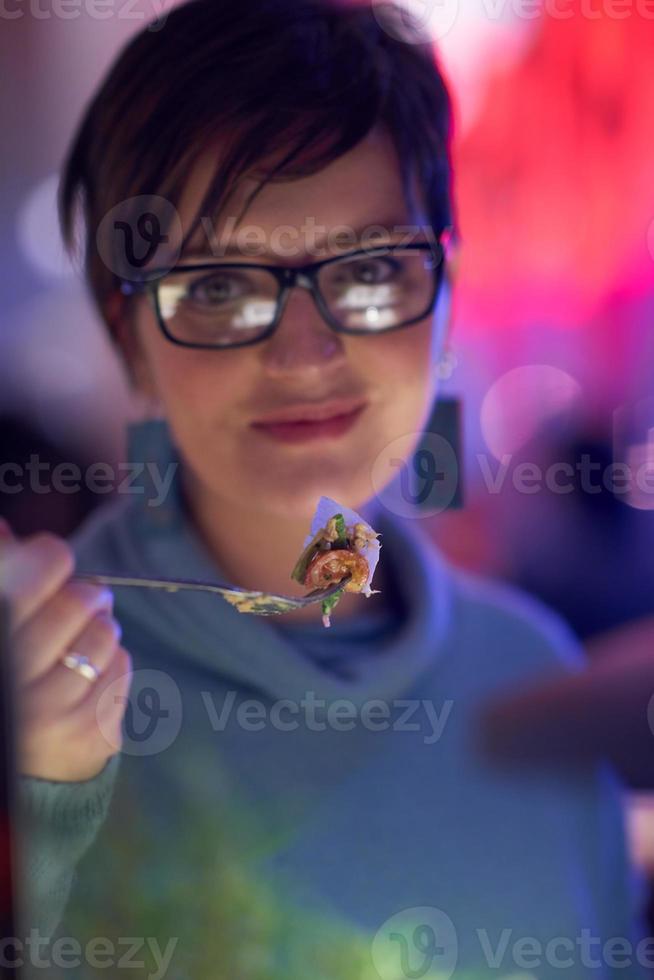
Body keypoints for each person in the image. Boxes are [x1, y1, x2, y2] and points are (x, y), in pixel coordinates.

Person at [3, 1, 648, 977]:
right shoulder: (45, 705)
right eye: (219, 285)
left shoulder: (527, 672)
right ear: (124, 326)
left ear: (446, 292)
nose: (306, 351)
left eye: (375, 270)